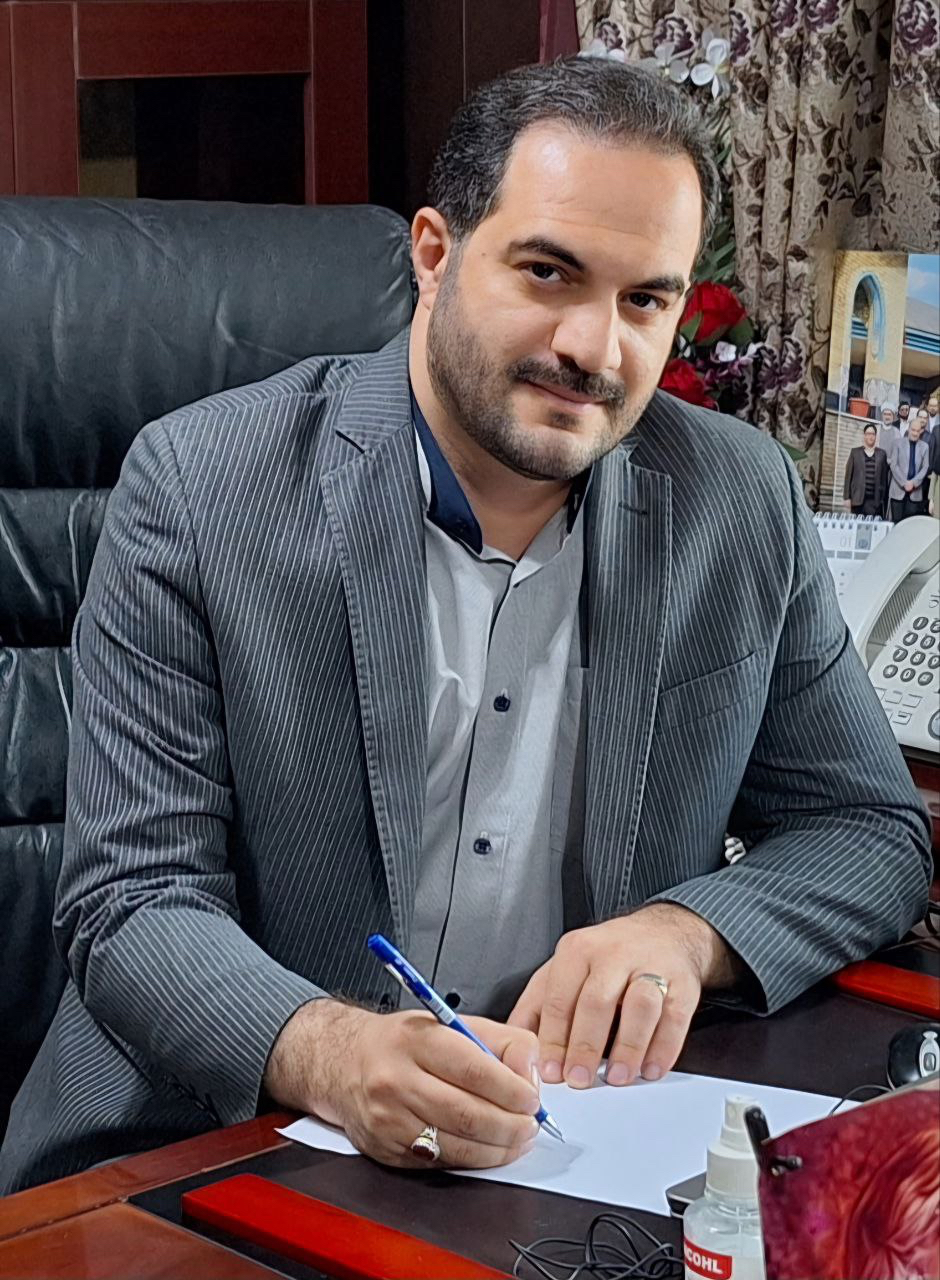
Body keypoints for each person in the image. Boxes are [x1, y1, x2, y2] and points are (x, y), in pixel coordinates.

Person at [0, 58, 930, 1193]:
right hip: (216, 1144)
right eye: (548, 272)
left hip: (570, 1144)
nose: (595, 348)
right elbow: (131, 899)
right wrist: (331, 1052)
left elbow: (868, 829)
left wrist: (687, 932)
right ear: (435, 254)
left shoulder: (736, 499)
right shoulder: (201, 486)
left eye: (645, 301)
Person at [889, 413, 930, 521]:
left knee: (910, 526)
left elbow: (925, 467)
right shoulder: (897, 443)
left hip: (915, 494)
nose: (915, 433)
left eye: (918, 431)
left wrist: (913, 483)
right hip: (898, 491)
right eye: (913, 430)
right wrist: (904, 483)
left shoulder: (925, 447)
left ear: (921, 431)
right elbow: (893, 465)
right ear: (909, 429)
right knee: (897, 525)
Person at [844, 425, 889, 516]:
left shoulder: (882, 454)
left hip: (875, 502)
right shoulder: (855, 453)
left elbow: (884, 479)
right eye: (868, 434)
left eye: (873, 434)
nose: (870, 436)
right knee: (857, 524)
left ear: (876, 436)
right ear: (864, 436)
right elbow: (848, 477)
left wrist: (882, 499)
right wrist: (847, 497)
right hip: (857, 500)